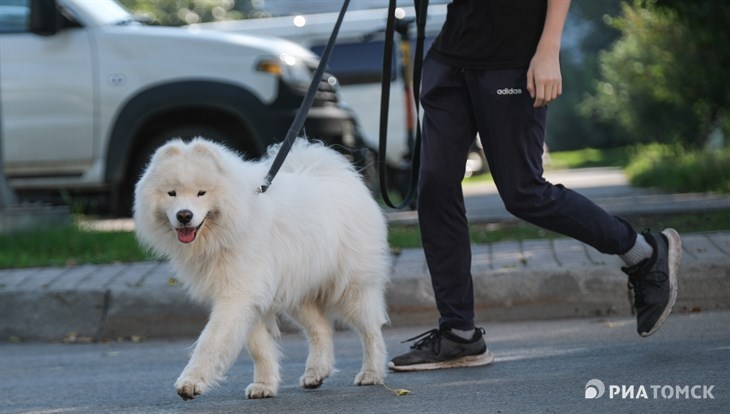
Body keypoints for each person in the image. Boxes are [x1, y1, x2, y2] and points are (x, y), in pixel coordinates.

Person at [388, 0, 681, 372]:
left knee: (523, 191)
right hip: (452, 52)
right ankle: (459, 334)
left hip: (514, 56)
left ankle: (643, 252)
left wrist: (549, 48)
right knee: (434, 188)